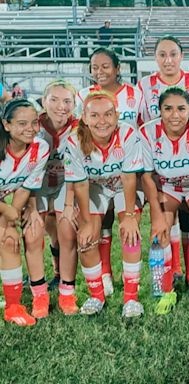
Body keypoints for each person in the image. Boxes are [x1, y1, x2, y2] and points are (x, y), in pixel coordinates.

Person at [64, 91, 145, 317]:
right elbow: (79, 184)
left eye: (108, 114)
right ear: (84, 118)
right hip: (94, 188)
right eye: (95, 116)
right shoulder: (74, 141)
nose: (103, 121)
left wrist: (129, 216)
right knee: (87, 237)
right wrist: (88, 222)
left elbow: (129, 178)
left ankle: (131, 298)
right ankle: (96, 295)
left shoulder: (128, 133)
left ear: (117, 115)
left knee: (131, 234)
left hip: (123, 187)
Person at [140, 87, 189, 314]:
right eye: (168, 109)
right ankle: (166, 291)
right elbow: (146, 177)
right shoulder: (147, 132)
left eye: (181, 109)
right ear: (159, 111)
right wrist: (156, 215)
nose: (175, 115)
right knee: (159, 234)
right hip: (167, 187)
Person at [76, 47, 144, 297]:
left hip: (126, 166)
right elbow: (80, 133)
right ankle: (105, 274)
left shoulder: (135, 94)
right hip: (96, 171)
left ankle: (131, 292)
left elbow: (143, 127)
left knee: (128, 224)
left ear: (117, 68)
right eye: (94, 67)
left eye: (105, 66)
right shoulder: (83, 95)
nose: (99, 71)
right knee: (100, 223)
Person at [139, 36, 189, 288]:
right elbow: (142, 122)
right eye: (162, 55)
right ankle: (172, 271)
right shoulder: (144, 84)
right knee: (166, 217)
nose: (168, 60)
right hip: (159, 160)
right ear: (155, 57)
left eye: (173, 54)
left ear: (181, 56)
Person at [0, 99, 50, 326]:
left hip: (6, 203)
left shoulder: (40, 149)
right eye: (22, 123)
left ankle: (13, 306)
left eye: (34, 123)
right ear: (6, 125)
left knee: (10, 239)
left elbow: (25, 187)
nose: (30, 128)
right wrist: (8, 213)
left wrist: (13, 215)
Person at [32, 80, 80, 315]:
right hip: (37, 185)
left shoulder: (80, 126)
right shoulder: (32, 125)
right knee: (34, 234)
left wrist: (71, 204)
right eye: (54, 100)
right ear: (43, 101)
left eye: (67, 101)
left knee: (67, 232)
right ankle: (39, 294)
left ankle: (67, 292)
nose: (61, 106)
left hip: (65, 184)